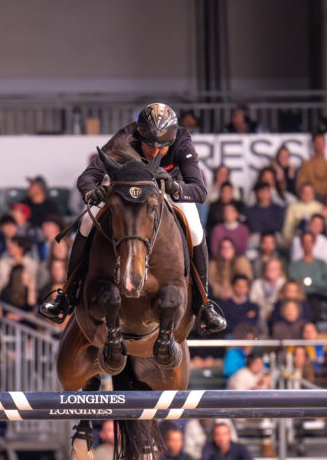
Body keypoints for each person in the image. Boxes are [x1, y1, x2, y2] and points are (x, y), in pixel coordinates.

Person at [38, 103, 226, 334]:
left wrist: (175, 187)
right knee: (87, 222)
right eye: (150, 145)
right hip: (127, 197)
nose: (155, 152)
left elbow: (199, 190)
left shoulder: (181, 140)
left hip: (167, 193)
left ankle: (204, 303)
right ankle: (67, 294)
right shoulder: (125, 138)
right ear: (140, 133)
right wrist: (91, 192)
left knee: (196, 230)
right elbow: (88, 176)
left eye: (162, 147)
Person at [288, 231, 327, 313]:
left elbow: (326, 284)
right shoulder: (294, 266)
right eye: (305, 242)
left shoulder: (322, 264)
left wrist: (307, 282)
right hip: (300, 298)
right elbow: (295, 284)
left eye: (310, 241)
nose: (308, 244)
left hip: (318, 297)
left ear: (314, 243)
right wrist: (314, 283)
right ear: (301, 244)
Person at [297, 132, 327, 197]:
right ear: (313, 145)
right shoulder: (306, 165)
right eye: (317, 143)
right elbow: (300, 185)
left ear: (325, 144)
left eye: (321, 142)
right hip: (310, 199)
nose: (320, 145)